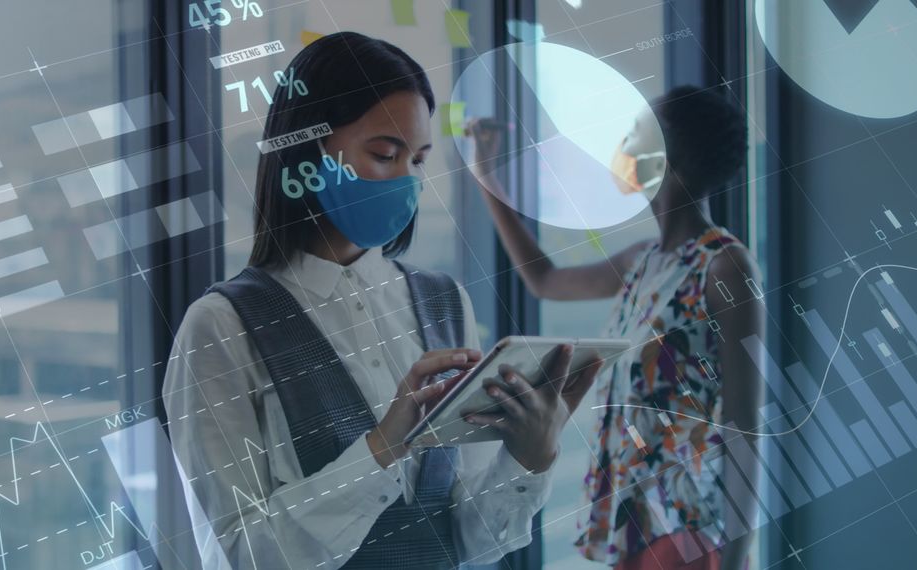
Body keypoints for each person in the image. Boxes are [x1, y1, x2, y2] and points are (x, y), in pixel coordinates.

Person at [163, 32, 601, 570]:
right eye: (384, 154)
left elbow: (466, 541)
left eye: (417, 160)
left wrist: (529, 456)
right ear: (307, 150)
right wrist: (381, 448)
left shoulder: (444, 303)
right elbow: (236, 556)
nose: (407, 181)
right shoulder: (220, 327)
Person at [467, 86, 765, 570]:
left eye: (634, 131)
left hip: (688, 528)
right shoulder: (644, 261)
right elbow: (543, 280)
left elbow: (744, 423)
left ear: (668, 152)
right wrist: (486, 178)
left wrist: (734, 556)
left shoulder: (725, 266)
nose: (622, 144)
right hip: (634, 521)